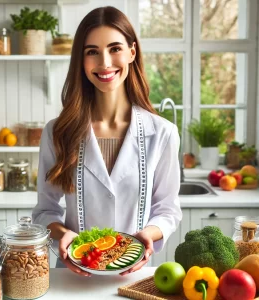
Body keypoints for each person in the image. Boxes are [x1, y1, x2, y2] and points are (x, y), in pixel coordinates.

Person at [32, 6, 182, 277]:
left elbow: (167, 210)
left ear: (132, 52)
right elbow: (45, 211)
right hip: (72, 279)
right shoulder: (57, 132)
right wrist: (65, 235)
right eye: (92, 52)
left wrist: (148, 235)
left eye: (115, 49)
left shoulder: (163, 133)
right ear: (81, 60)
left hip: (134, 276)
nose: (104, 63)